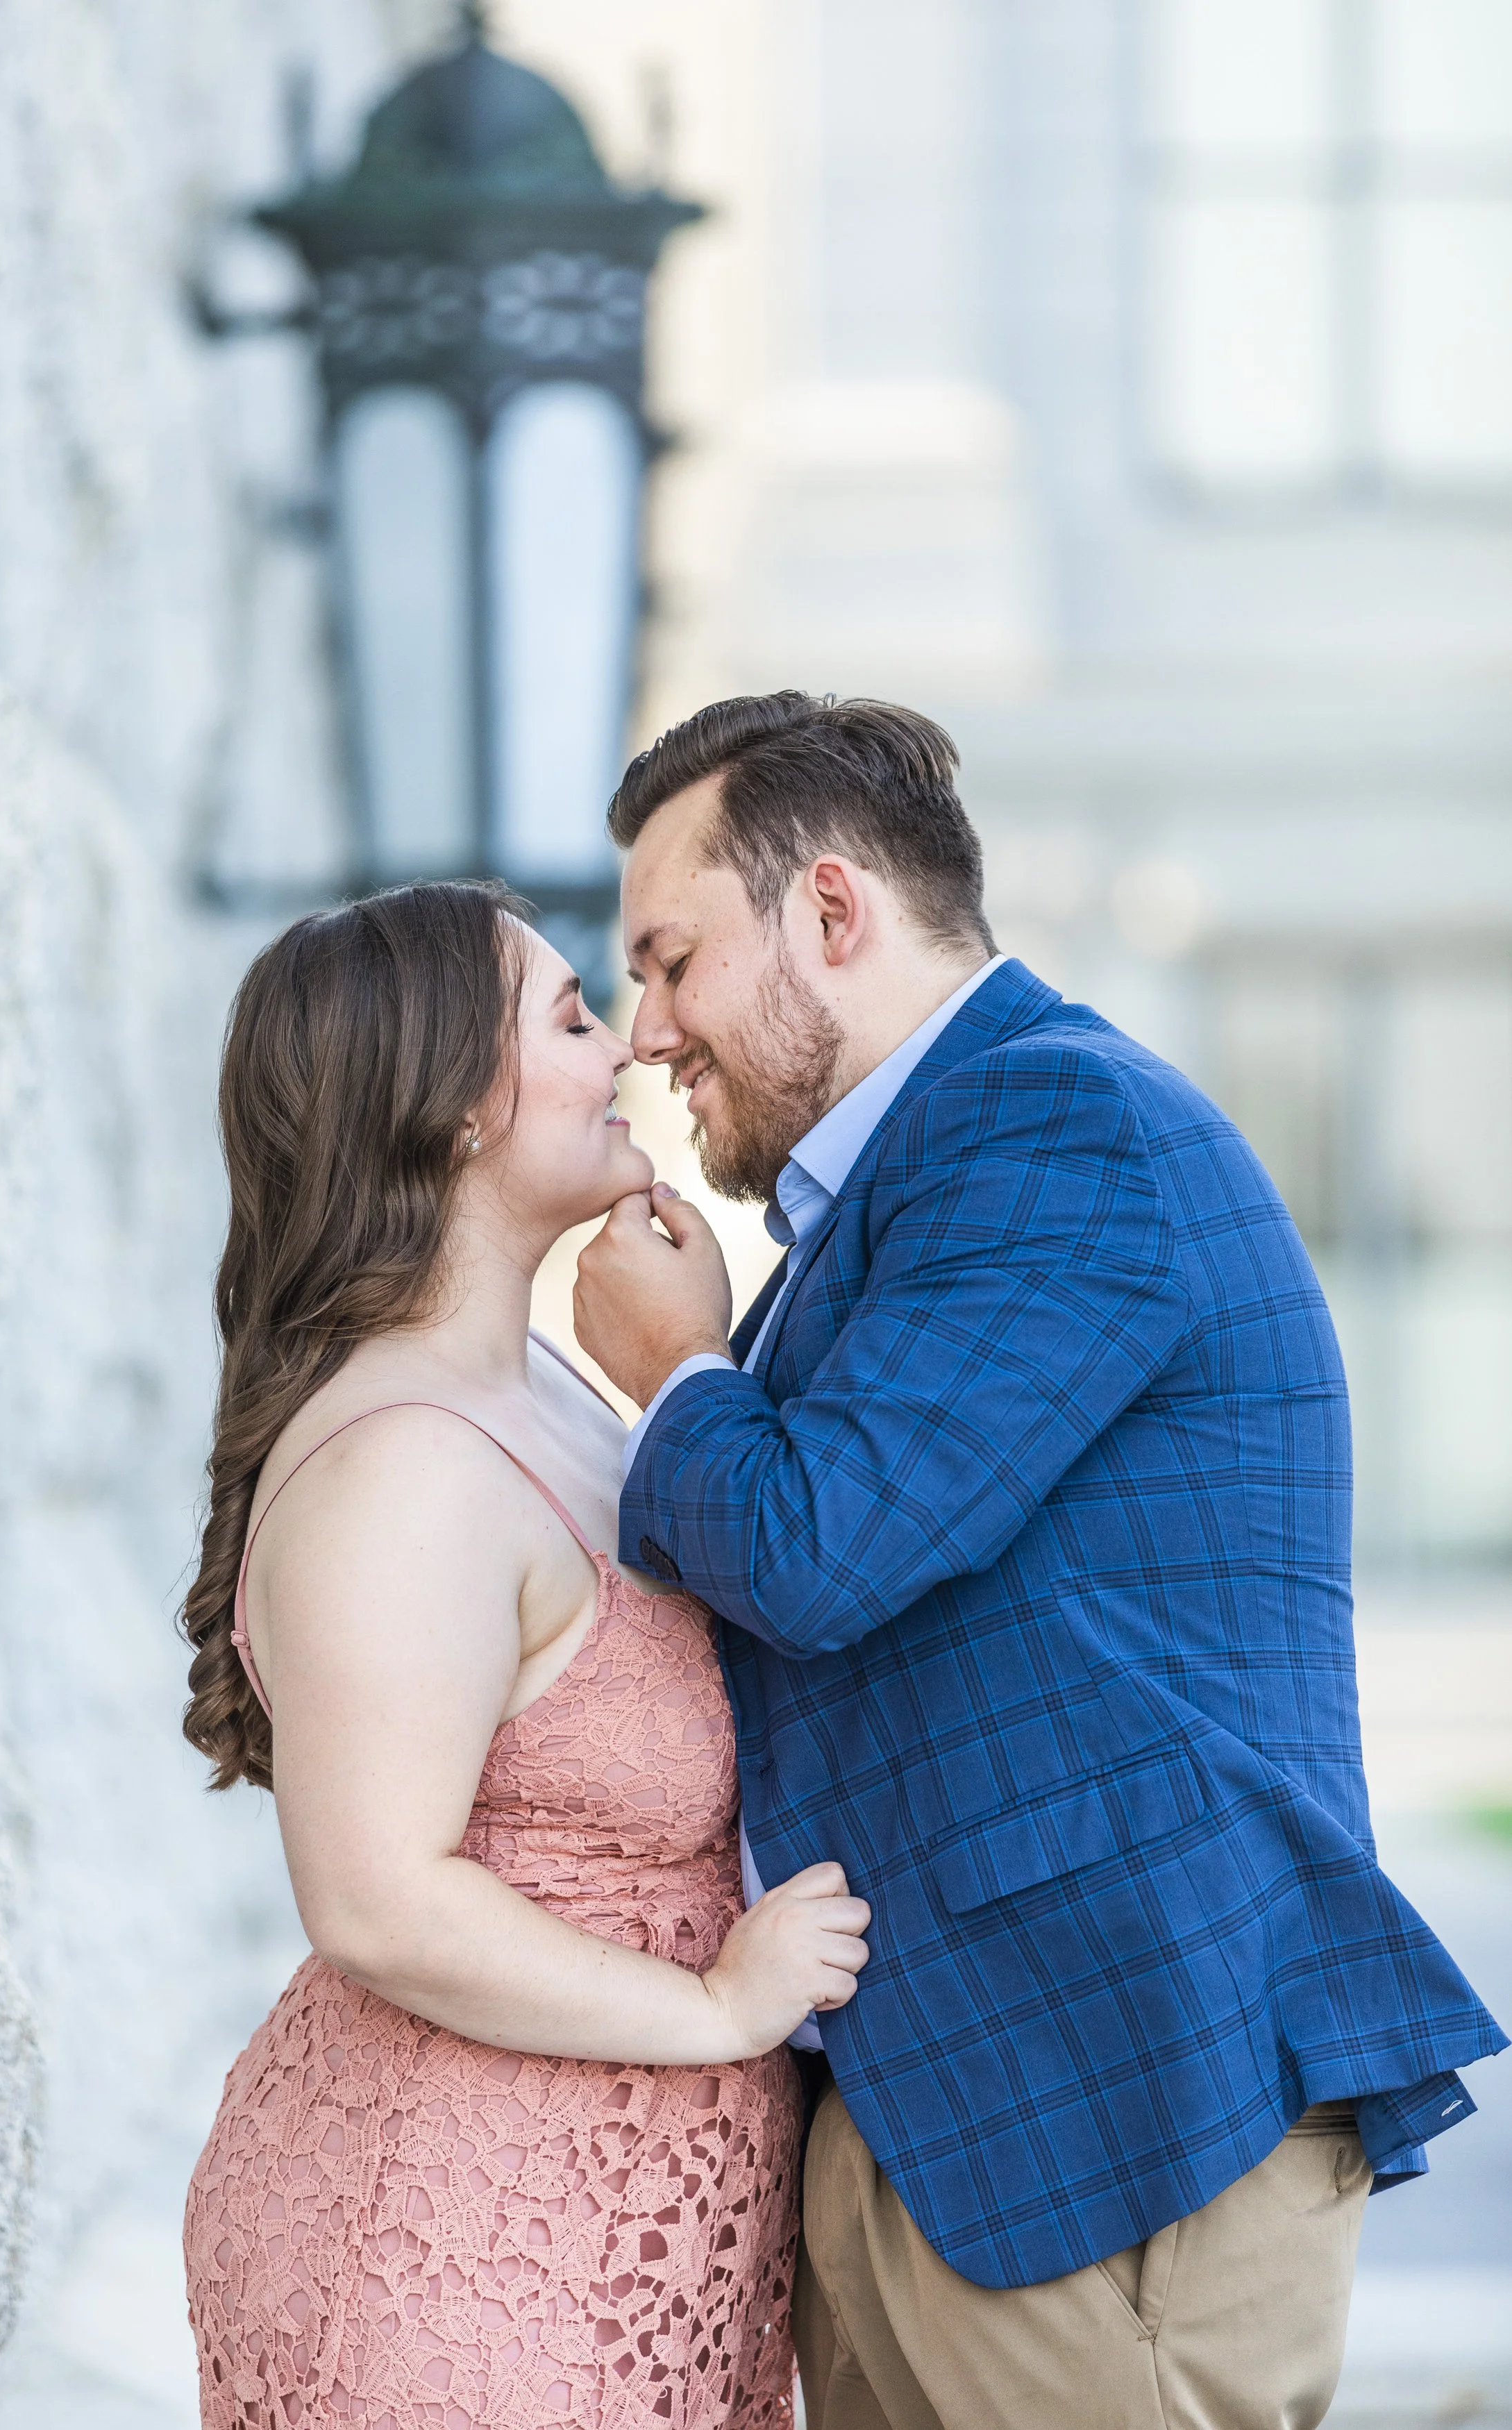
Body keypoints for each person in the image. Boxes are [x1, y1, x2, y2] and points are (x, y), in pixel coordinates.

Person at [573, 690, 1506, 2430]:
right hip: (947, 2116)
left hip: (1109, 2116)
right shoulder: (904, 1188)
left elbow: (816, 1545)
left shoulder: (1059, 1133)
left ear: (830, 913)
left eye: (672, 959)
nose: (647, 1031)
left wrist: (675, 1373)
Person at [178, 881, 869, 2430]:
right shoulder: (403, 1470)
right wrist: (711, 2012)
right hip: (450, 2265)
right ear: (447, 1113)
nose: (626, 1049)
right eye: (568, 1017)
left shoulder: (547, 1390)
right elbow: (375, 1896)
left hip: (617, 2256)